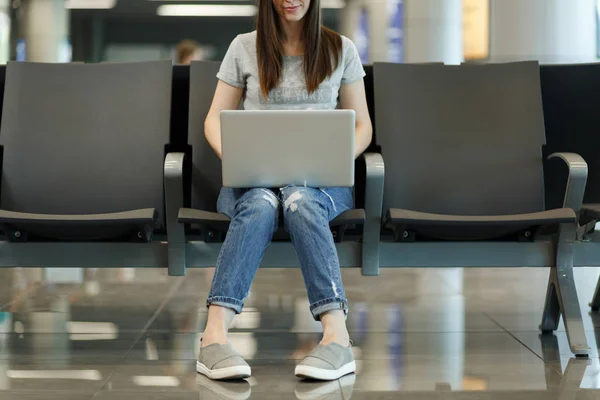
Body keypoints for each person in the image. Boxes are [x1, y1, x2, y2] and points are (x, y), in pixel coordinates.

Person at [197, 0, 372, 381]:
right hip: (253, 180)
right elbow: (213, 119)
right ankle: (213, 336)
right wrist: (235, 154)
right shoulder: (243, 47)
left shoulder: (340, 48)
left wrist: (337, 154)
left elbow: (363, 127)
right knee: (260, 203)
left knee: (300, 199)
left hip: (319, 183)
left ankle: (337, 337)